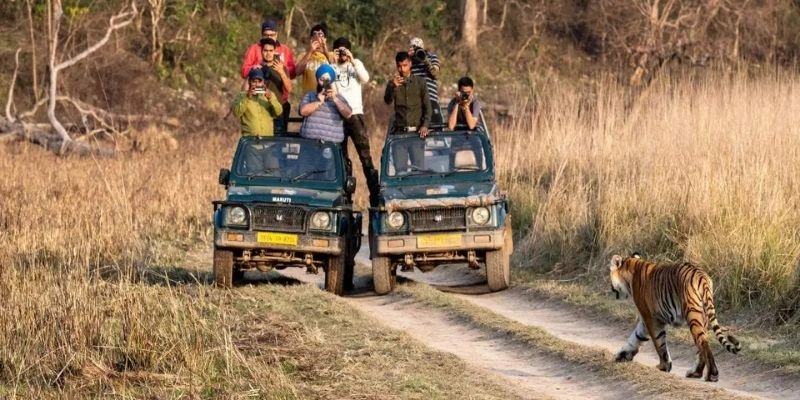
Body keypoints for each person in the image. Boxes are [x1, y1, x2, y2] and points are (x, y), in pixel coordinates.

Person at [331, 37, 379, 207]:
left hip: (356, 114)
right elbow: (326, 84)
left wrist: (352, 60)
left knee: (365, 155)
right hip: (338, 116)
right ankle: (346, 197)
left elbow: (365, 79)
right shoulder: (332, 67)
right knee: (342, 157)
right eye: (338, 50)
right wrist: (332, 61)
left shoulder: (355, 63)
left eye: (344, 50)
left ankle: (375, 194)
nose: (342, 54)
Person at [384, 51, 431, 173]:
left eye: (404, 65)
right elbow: (387, 101)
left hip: (416, 134)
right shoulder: (393, 83)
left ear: (410, 64)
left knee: (418, 172)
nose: (402, 69)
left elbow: (428, 107)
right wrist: (392, 87)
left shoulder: (420, 82)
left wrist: (425, 125)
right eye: (399, 66)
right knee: (400, 172)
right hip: (400, 135)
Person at [299, 64, 352, 143]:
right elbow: (302, 112)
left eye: (327, 80)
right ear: (318, 80)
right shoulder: (310, 95)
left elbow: (348, 114)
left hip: (331, 144)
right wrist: (318, 102)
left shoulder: (339, 98)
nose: (324, 83)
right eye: (322, 79)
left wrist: (335, 99)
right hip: (309, 142)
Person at [240, 19, 296, 87]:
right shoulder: (254, 48)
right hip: (258, 89)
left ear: (276, 34)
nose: (269, 37)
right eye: (266, 35)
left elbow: (293, 73)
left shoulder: (285, 50)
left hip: (279, 90)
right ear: (262, 35)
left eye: (272, 35)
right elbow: (244, 71)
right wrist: (254, 68)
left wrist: (282, 70)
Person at [232, 68, 283, 136]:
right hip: (250, 139)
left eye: (259, 81)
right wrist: (247, 97)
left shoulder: (270, 95)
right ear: (249, 82)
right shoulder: (242, 95)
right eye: (254, 81)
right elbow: (236, 113)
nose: (257, 84)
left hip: (267, 139)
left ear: (263, 82)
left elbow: (279, 112)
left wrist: (271, 98)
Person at [259, 38, 293, 134]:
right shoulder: (257, 68)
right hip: (262, 110)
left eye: (271, 51)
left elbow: (289, 89)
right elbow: (248, 90)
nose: (268, 53)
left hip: (278, 110)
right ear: (261, 51)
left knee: (278, 139)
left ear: (275, 51)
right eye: (265, 50)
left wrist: (281, 72)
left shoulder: (282, 68)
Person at [408, 37, 442, 125]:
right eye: (413, 47)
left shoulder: (431, 56)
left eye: (417, 47)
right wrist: (408, 58)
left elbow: (435, 73)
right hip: (416, 101)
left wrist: (425, 60)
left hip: (430, 99)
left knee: (436, 126)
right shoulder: (409, 61)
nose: (416, 50)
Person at [296, 23, 335, 94]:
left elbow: (337, 72)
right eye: (314, 34)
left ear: (325, 39)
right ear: (311, 39)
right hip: (309, 97)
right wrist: (310, 51)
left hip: (326, 96)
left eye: (320, 34)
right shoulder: (303, 55)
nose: (317, 37)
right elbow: (297, 72)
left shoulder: (331, 55)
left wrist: (325, 51)